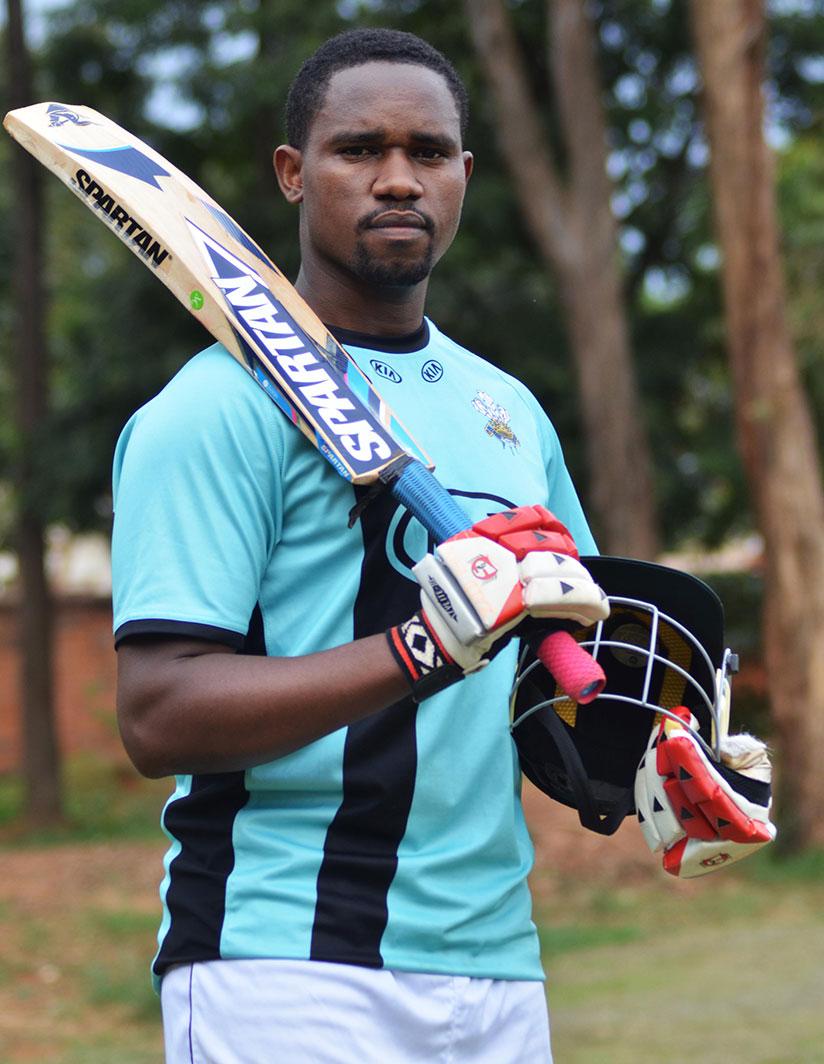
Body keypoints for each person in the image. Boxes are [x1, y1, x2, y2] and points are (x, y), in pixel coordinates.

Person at [112, 28, 610, 1063]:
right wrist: (418, 648)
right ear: (293, 173)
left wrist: (666, 749)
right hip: (286, 963)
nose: (397, 179)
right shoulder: (213, 411)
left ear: (463, 175)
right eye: (359, 150)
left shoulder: (506, 409)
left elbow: (556, 676)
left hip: (496, 963)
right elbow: (159, 711)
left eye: (427, 152)